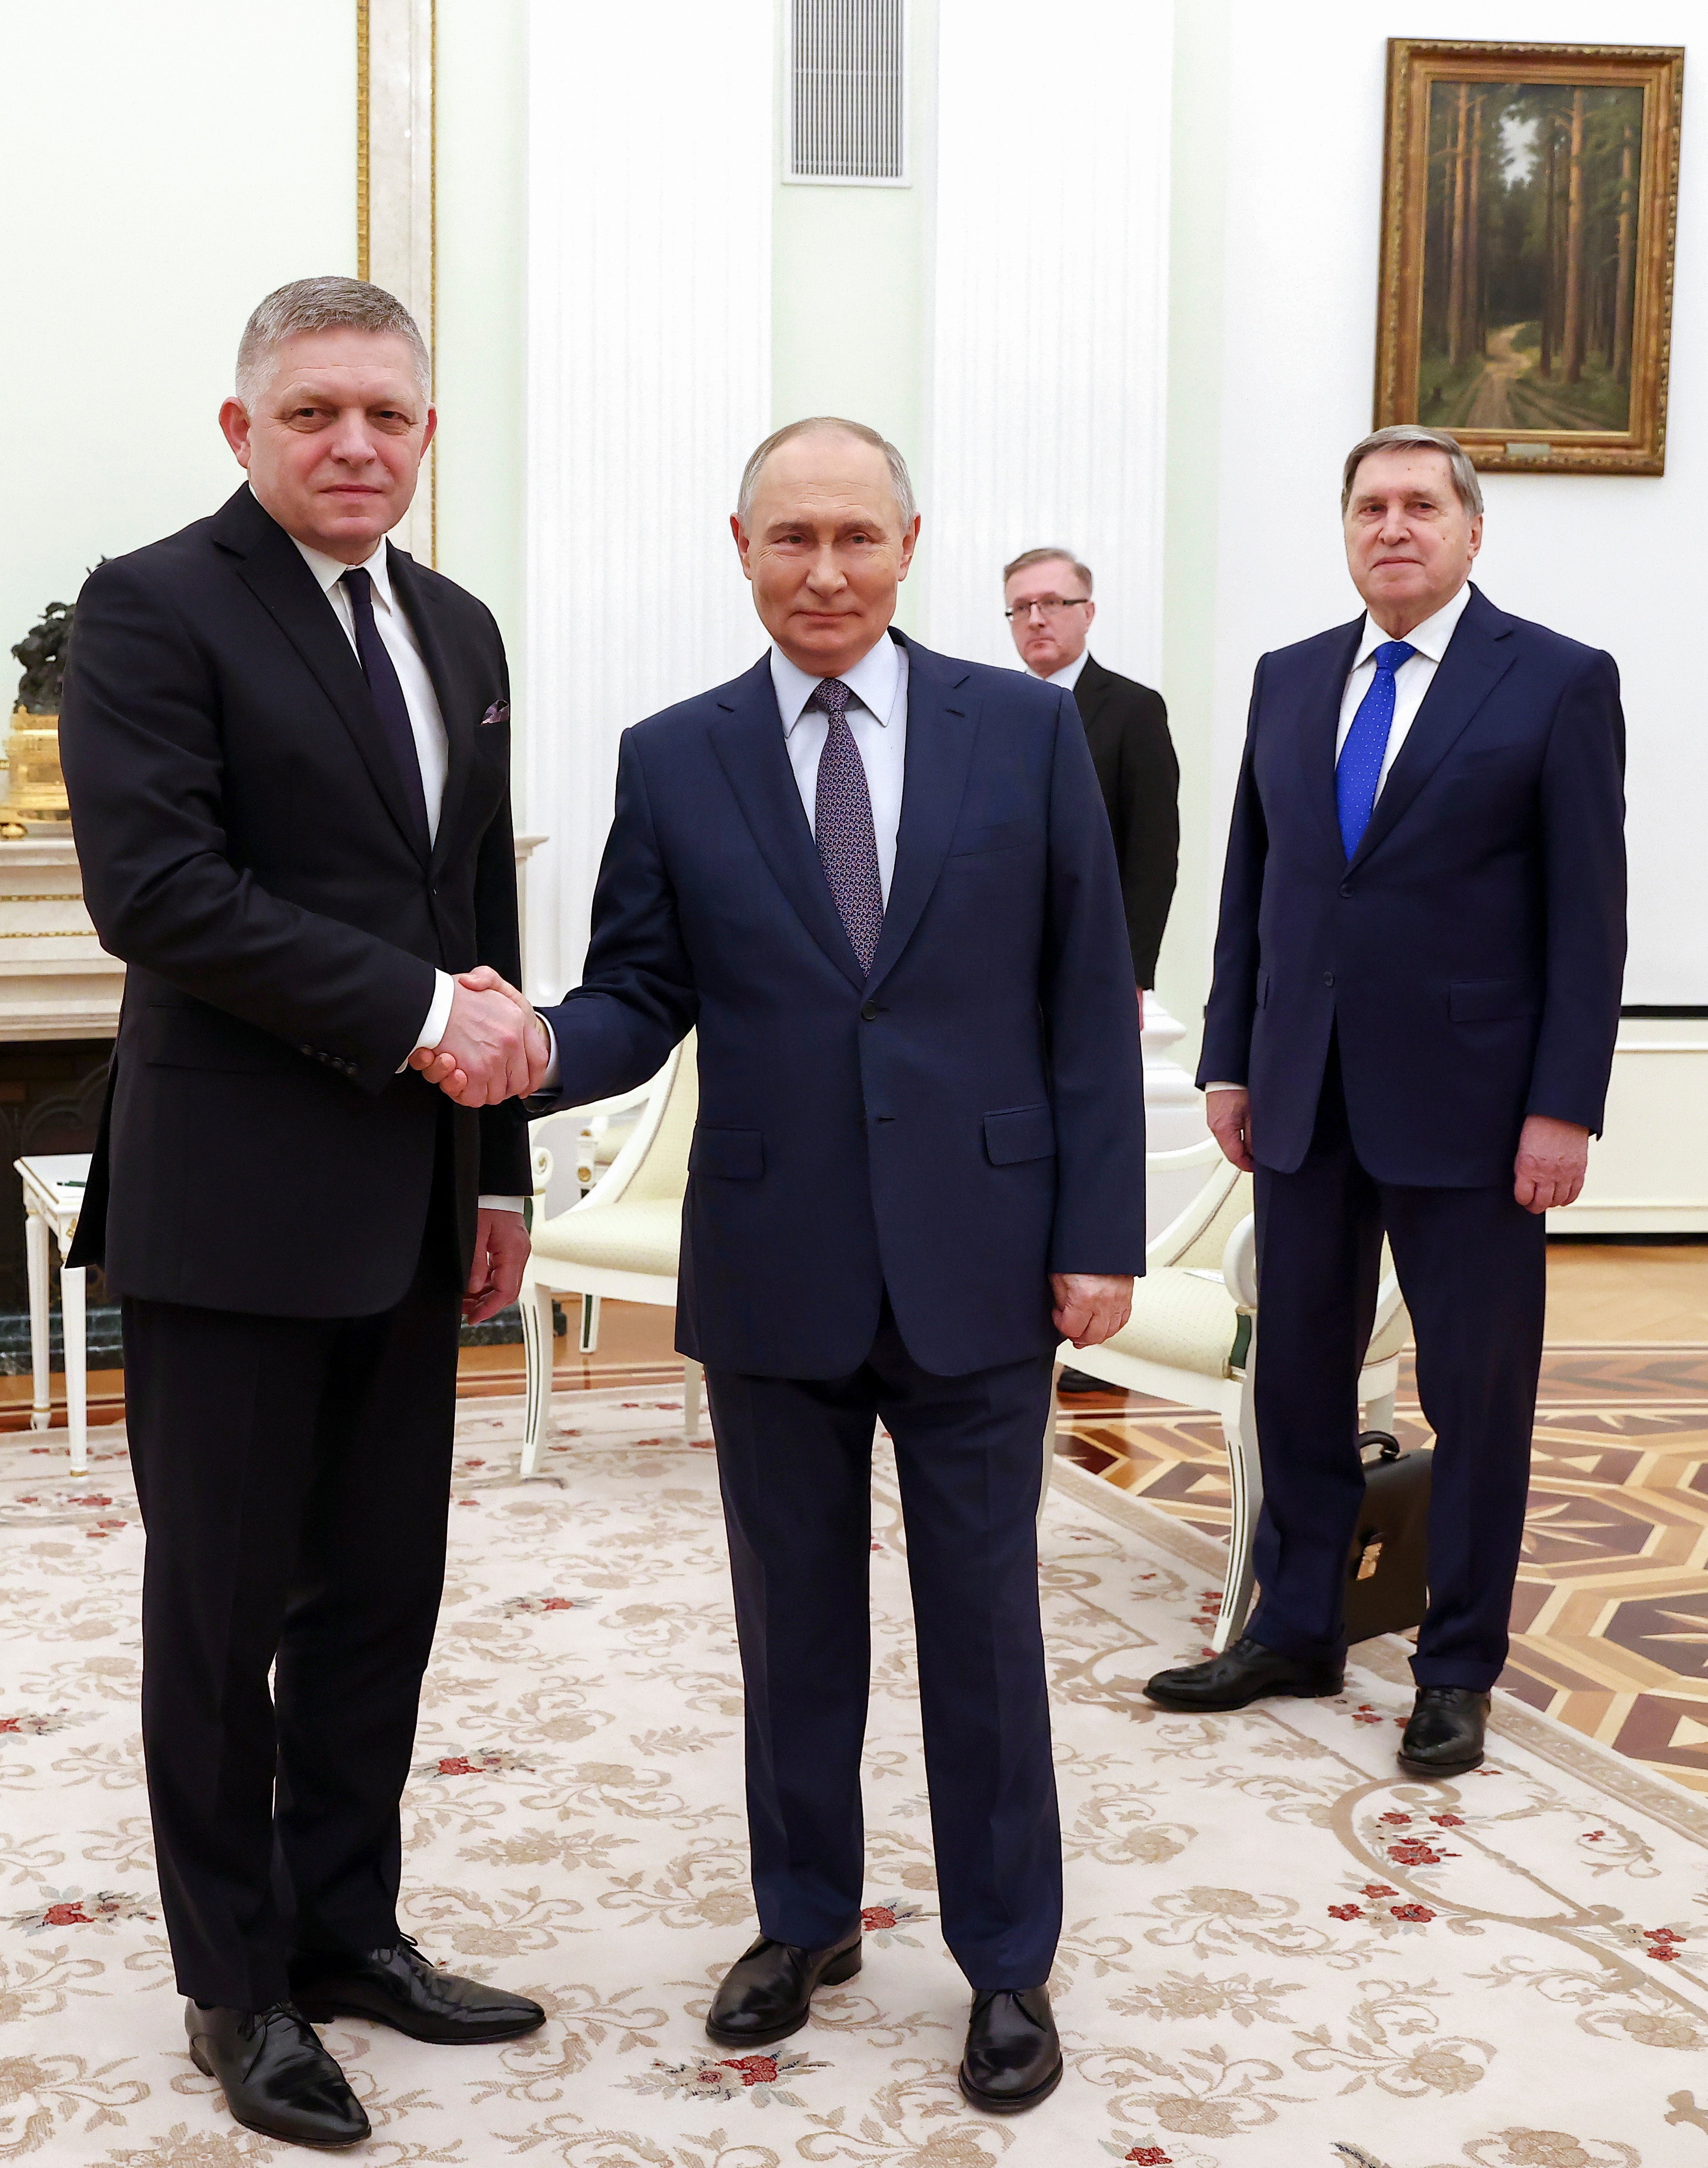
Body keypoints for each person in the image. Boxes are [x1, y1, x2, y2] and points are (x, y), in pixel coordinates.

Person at [420, 418, 1144, 2115]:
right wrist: (529, 1043)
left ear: (910, 545)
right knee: (792, 1623)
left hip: (983, 1258)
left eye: (857, 539)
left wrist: (1098, 1234)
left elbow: (1082, 997)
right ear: (739, 544)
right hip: (775, 1259)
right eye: (791, 538)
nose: (825, 571)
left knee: (982, 1629)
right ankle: (805, 1919)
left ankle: (1005, 1962)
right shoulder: (675, 758)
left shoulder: (1029, 735)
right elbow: (637, 990)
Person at [61, 276, 553, 2151]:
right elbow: (158, 890)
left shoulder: (457, 624)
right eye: (315, 413)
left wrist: (493, 1165)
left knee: (379, 1604)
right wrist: (435, 1022)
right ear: (240, 428)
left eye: (389, 417)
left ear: (427, 433)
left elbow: (465, 916)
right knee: (220, 1612)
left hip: (411, 1203)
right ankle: (238, 1981)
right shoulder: (151, 604)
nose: (355, 444)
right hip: (232, 1205)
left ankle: (350, 1928)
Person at [1144, 424, 1627, 1784]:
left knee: (1476, 1392)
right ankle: (1294, 1625)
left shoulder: (1554, 683)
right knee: (1295, 1374)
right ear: (1346, 530)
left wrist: (1562, 1106)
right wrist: (1229, 1058)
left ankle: (1456, 1666)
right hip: (1302, 1093)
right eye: (1369, 507)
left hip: (1477, 1112)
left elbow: (1587, 923)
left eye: (1422, 505)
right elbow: (1255, 885)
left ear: (1472, 533)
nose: (1393, 527)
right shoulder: (1289, 681)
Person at [1001, 547, 1181, 990]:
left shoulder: (1133, 709)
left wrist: (1134, 973)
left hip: (1094, 956)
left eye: (1052, 603)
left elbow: (1152, 852)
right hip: (1001, 958)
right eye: (1021, 608)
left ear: (1088, 613)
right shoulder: (994, 711)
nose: (1035, 619)